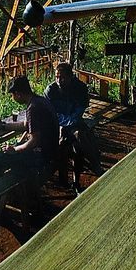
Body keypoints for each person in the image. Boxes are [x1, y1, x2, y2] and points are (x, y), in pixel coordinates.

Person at [0, 75, 60, 181]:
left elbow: (34, 141)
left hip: (42, 155)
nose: (13, 98)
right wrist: (4, 126)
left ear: (18, 94)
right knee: (10, 151)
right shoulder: (39, 101)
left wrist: (15, 149)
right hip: (51, 149)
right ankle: (11, 192)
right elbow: (26, 125)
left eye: (12, 95)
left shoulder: (33, 108)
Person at [45, 61, 101, 190]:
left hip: (74, 123)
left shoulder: (80, 88)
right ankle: (66, 180)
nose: (59, 80)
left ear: (70, 77)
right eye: (57, 77)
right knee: (65, 143)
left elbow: (79, 112)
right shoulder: (51, 90)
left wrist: (68, 123)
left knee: (79, 139)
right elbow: (50, 113)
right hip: (56, 125)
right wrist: (62, 124)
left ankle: (90, 170)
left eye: (62, 77)